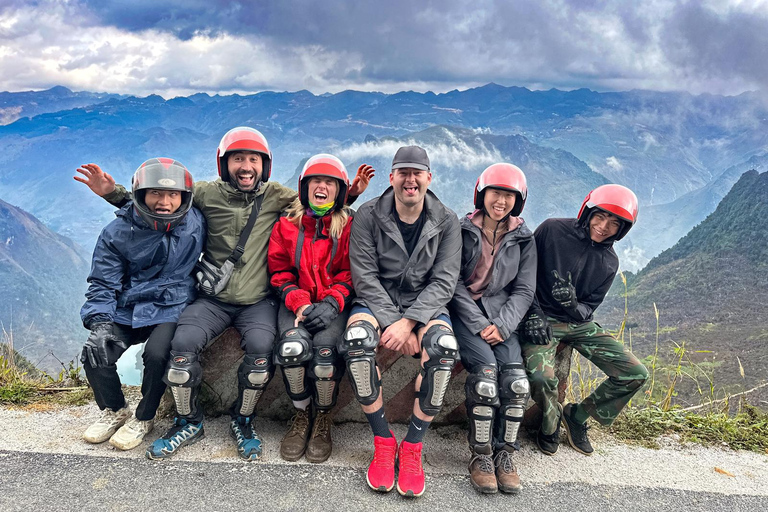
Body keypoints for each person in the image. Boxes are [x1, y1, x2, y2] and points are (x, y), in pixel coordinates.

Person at [76, 127, 372, 461]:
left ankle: (243, 419)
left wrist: (350, 197)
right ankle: (189, 421)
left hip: (257, 301)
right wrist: (112, 193)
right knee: (181, 350)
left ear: (265, 165)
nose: (246, 166)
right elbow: (164, 202)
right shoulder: (205, 193)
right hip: (211, 300)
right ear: (224, 164)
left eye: (253, 159)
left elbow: (316, 203)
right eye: (238, 159)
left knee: (261, 353)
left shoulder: (276, 195)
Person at [342, 145, 462, 498]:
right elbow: (364, 276)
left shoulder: (446, 221)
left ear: (429, 178)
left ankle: (412, 447)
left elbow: (444, 281)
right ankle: (382, 440)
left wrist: (409, 322)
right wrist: (394, 321)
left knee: (442, 351)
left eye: (417, 173)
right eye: (403, 172)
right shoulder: (368, 215)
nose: (410, 179)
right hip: (376, 300)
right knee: (358, 343)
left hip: (425, 305)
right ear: (392, 177)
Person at [77, 158, 205, 451]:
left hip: (174, 303)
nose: (165, 201)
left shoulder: (195, 220)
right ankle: (114, 409)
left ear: (183, 197)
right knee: (96, 351)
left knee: (158, 354)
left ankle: (144, 417)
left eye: (173, 194)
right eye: (156, 193)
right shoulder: (116, 233)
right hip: (129, 305)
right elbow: (102, 283)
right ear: (141, 195)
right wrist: (99, 324)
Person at [520, 184, 649, 456]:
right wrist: (533, 312)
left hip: (579, 325)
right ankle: (550, 422)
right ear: (587, 212)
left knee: (635, 373)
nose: (603, 227)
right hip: (541, 318)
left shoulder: (609, 262)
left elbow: (588, 309)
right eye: (599, 217)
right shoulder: (552, 230)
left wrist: (572, 303)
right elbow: (523, 272)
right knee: (543, 377)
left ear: (623, 229)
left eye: (614, 223)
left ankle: (577, 416)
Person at [450, 163, 536, 494]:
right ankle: (481, 455)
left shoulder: (524, 238)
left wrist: (502, 325)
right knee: (486, 378)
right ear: (481, 194)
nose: (501, 201)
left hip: (504, 319)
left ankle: (505, 454)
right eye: (495, 193)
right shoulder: (461, 230)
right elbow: (453, 283)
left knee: (516, 383)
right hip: (467, 315)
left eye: (509, 196)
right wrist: (479, 323)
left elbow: (524, 289)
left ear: (519, 200)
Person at [268, 154, 358, 463]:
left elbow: (350, 273)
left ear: (339, 191)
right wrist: (299, 301)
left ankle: (323, 417)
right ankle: (301, 414)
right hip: (296, 303)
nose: (321, 186)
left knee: (324, 357)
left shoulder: (348, 225)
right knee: (292, 350)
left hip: (333, 305)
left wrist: (332, 303)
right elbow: (279, 272)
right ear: (304, 187)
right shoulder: (287, 224)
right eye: (315, 181)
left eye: (329, 182)